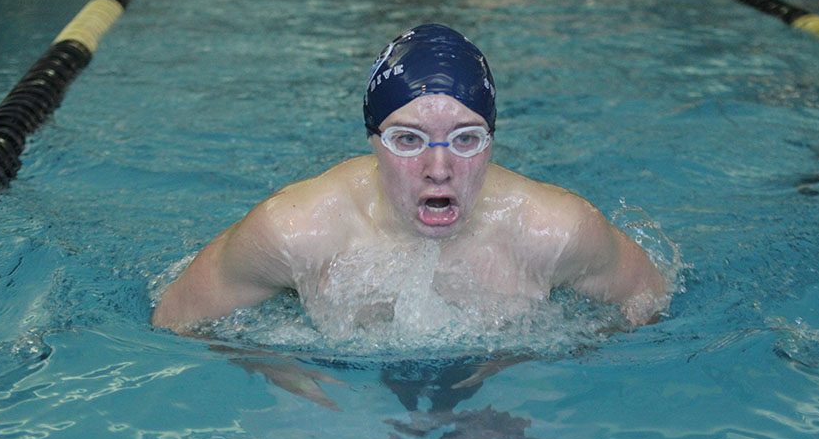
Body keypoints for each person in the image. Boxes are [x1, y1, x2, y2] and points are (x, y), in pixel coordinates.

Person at [152, 23, 668, 334]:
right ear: (372, 140)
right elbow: (176, 320)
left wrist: (566, 354)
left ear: (492, 140)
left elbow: (648, 299)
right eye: (408, 140)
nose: (439, 168)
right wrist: (281, 369)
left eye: (466, 138)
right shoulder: (296, 233)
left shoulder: (556, 232)